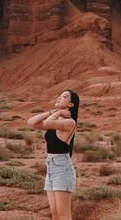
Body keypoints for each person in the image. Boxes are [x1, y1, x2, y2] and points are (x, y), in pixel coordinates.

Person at [27, 89, 80, 220]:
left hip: (62, 168)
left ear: (71, 105)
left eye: (64, 96)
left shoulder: (70, 122)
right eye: (60, 95)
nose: (59, 98)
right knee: (55, 215)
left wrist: (57, 113)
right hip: (51, 168)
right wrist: (53, 112)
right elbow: (31, 122)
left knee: (64, 216)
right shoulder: (57, 120)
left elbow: (48, 123)